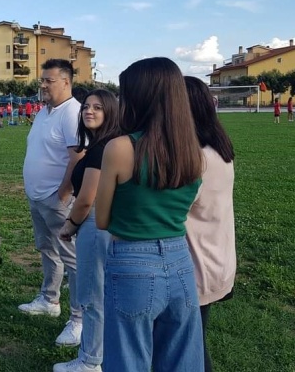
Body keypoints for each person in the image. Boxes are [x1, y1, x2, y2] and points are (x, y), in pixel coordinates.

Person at [95, 57, 204, 372]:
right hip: (181, 261)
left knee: (128, 359)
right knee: (182, 360)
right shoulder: (193, 152)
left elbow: (102, 220)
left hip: (131, 260)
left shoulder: (120, 148)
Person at [53, 89, 121, 372]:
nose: (89, 111)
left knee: (92, 295)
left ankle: (90, 361)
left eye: (97, 108)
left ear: (110, 113)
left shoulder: (100, 149)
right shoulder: (105, 145)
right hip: (107, 224)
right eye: (86, 107)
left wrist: (70, 225)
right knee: (103, 293)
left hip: (94, 224)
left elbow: (86, 199)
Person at [20, 58, 84, 347]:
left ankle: (79, 319)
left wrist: (63, 193)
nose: (42, 85)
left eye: (48, 80)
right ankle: (49, 299)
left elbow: (78, 157)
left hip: (56, 199)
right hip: (38, 196)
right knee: (47, 249)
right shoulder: (45, 112)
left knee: (72, 259)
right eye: (42, 80)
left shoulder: (72, 113)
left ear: (66, 82)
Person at [184, 76, 237, 372]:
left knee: (190, 348)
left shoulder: (196, 159)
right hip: (216, 259)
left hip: (197, 266)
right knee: (193, 341)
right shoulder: (219, 149)